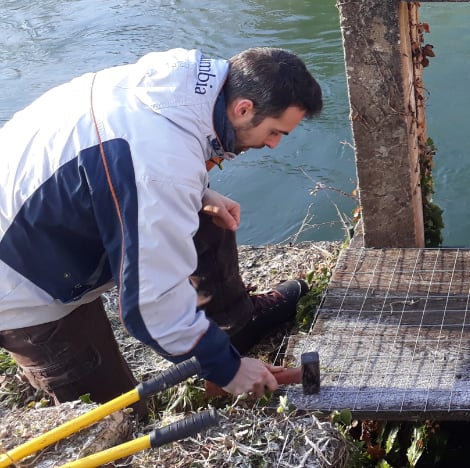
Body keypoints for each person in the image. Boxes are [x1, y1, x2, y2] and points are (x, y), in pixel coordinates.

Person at [0, 47, 324, 406]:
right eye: (275, 132)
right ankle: (217, 358)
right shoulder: (160, 167)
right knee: (116, 412)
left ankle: (232, 330)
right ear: (244, 108)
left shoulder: (181, 85)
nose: (274, 144)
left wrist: (199, 191)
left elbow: (128, 167)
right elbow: (148, 305)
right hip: (22, 281)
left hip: (45, 213)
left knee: (201, 212)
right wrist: (228, 371)